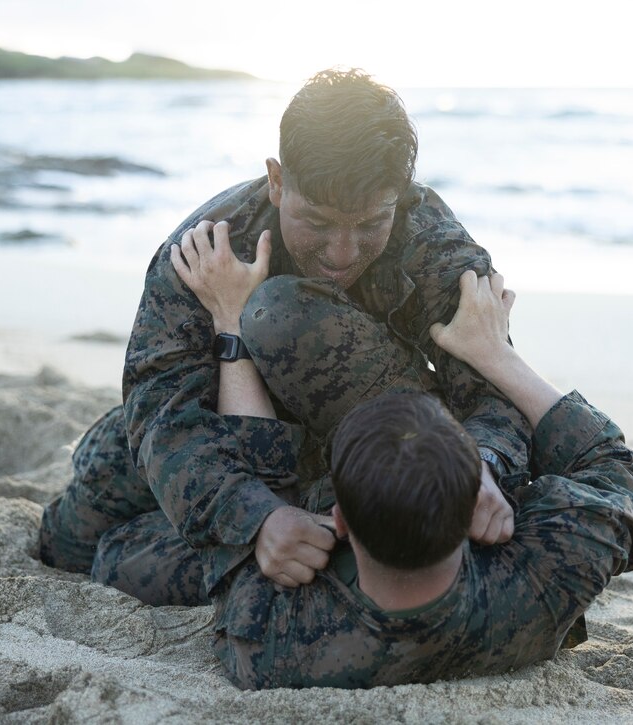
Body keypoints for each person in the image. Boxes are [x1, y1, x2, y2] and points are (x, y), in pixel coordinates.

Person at [37, 68, 530, 605]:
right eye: (317, 222)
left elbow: (492, 387)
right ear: (277, 181)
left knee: (279, 314)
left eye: (370, 224)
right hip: (226, 415)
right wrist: (256, 516)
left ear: (400, 195)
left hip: (373, 436)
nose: (343, 253)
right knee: (72, 539)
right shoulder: (207, 246)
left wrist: (478, 467)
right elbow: (162, 412)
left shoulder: (435, 247)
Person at [172, 234, 633, 688]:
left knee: (107, 543)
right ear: (475, 502)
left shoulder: (273, 643)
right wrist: (495, 355)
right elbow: (617, 467)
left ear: (337, 519)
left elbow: (253, 498)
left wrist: (231, 325)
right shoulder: (552, 571)